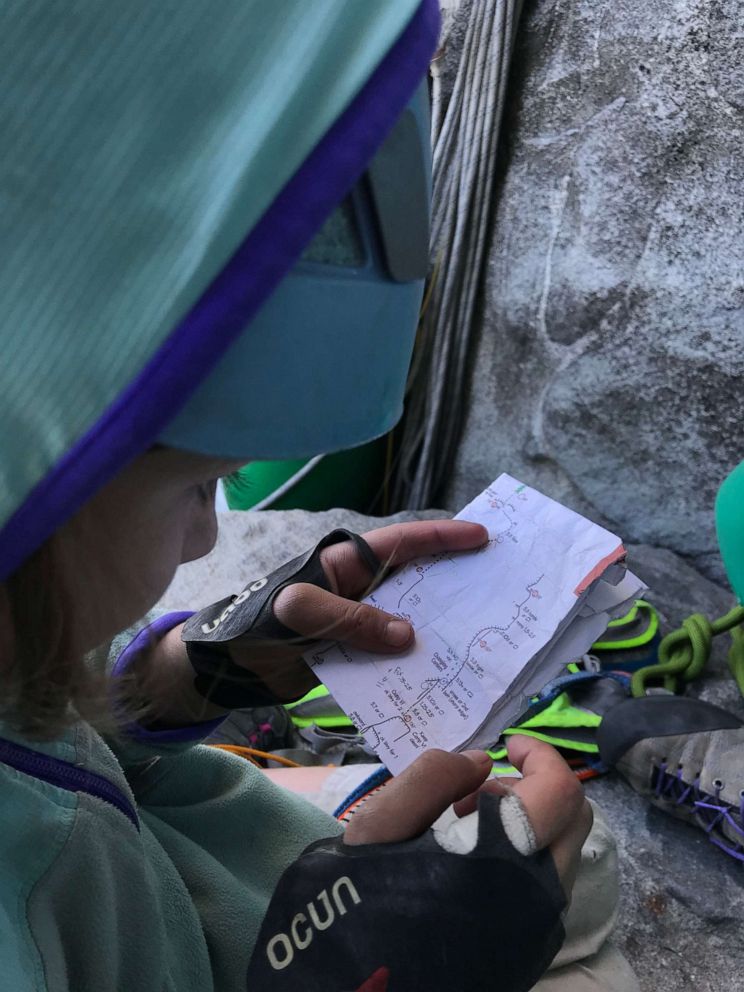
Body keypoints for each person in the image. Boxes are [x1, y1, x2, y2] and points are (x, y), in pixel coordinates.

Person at [0, 2, 638, 989]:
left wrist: (183, 672)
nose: (214, 528)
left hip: (155, 866)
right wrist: (355, 968)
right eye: (201, 482)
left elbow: (33, 719)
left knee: (565, 860)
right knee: (559, 917)